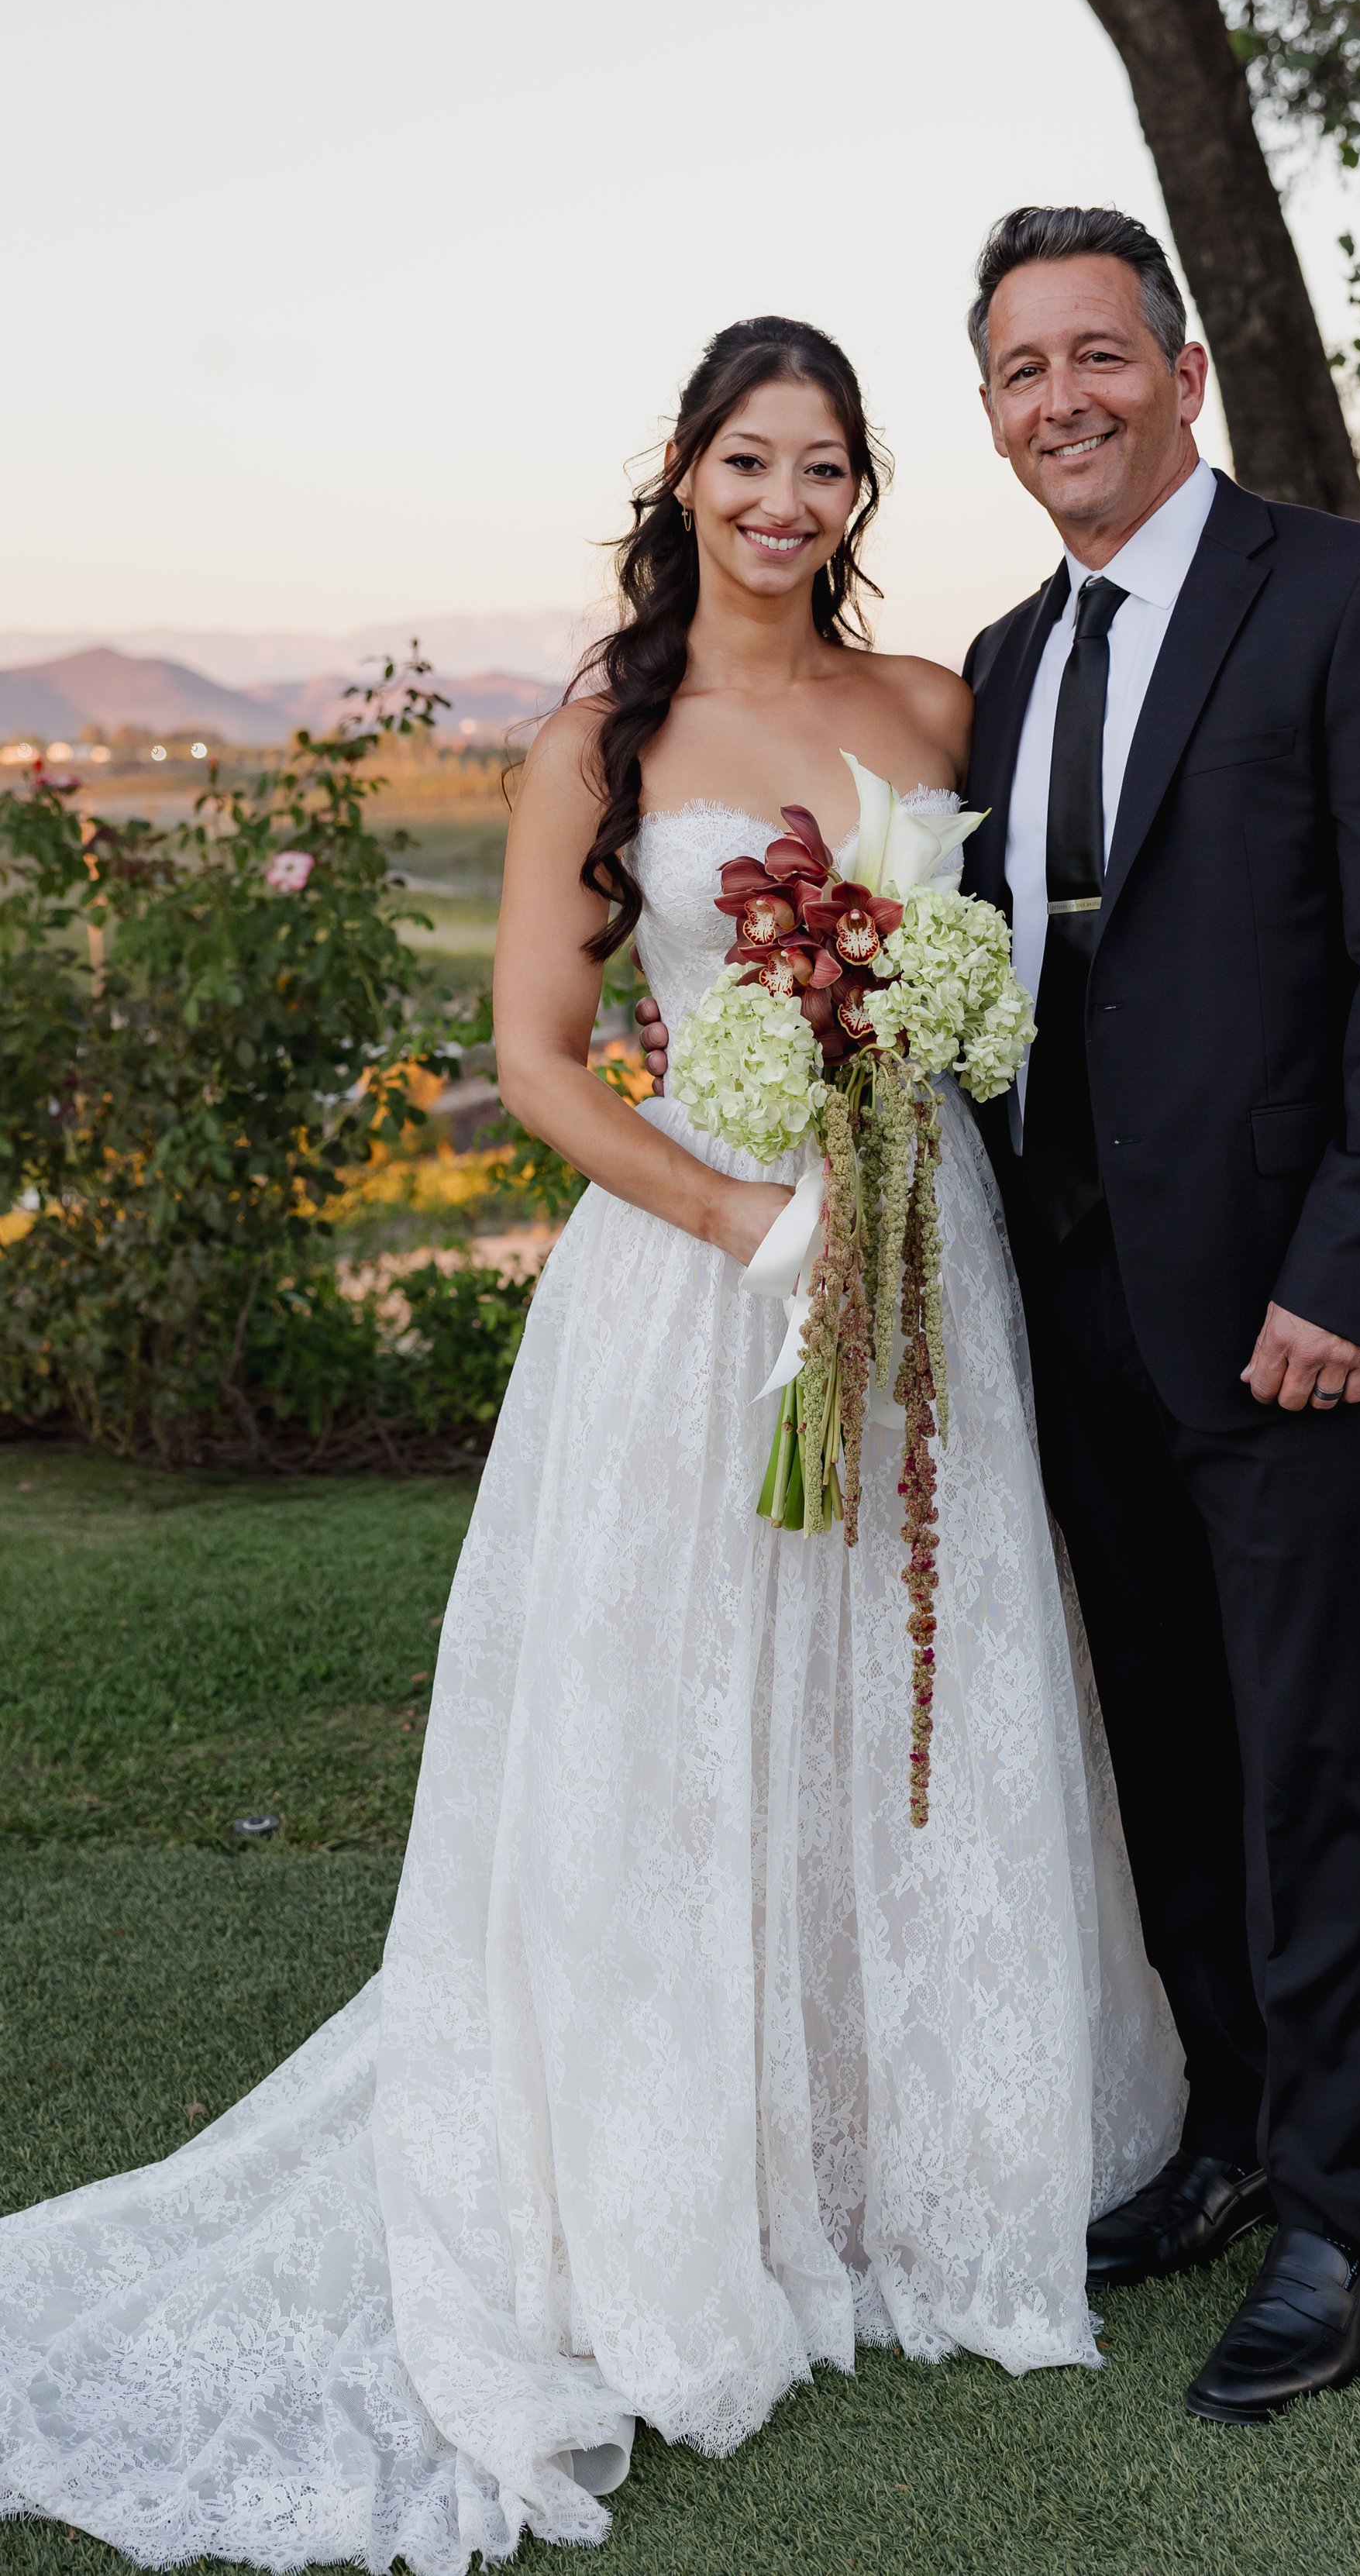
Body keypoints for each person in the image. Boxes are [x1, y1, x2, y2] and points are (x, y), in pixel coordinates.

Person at [0, 316, 1181, 2575]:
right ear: (686, 474)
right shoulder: (598, 737)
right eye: (748, 461)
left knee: (908, 1676)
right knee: (680, 1710)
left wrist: (909, 1123)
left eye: (822, 467)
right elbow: (543, 1060)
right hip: (700, 1271)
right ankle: (674, 2168)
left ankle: (904, 2152)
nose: (783, 503)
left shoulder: (935, 705)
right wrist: (752, 1224)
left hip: (929, 1257)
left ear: (860, 494)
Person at [959, 206, 1360, 2422]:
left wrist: (1347, 1273)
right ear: (991, 410)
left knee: (1308, 1751)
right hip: (1070, 1292)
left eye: (1099, 353)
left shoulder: (1359, 601)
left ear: (1181, 376)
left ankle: (1336, 2209)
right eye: (1022, 369)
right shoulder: (1004, 658)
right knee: (1167, 1741)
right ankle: (1225, 2134)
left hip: (1297, 1310)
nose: (1064, 399)